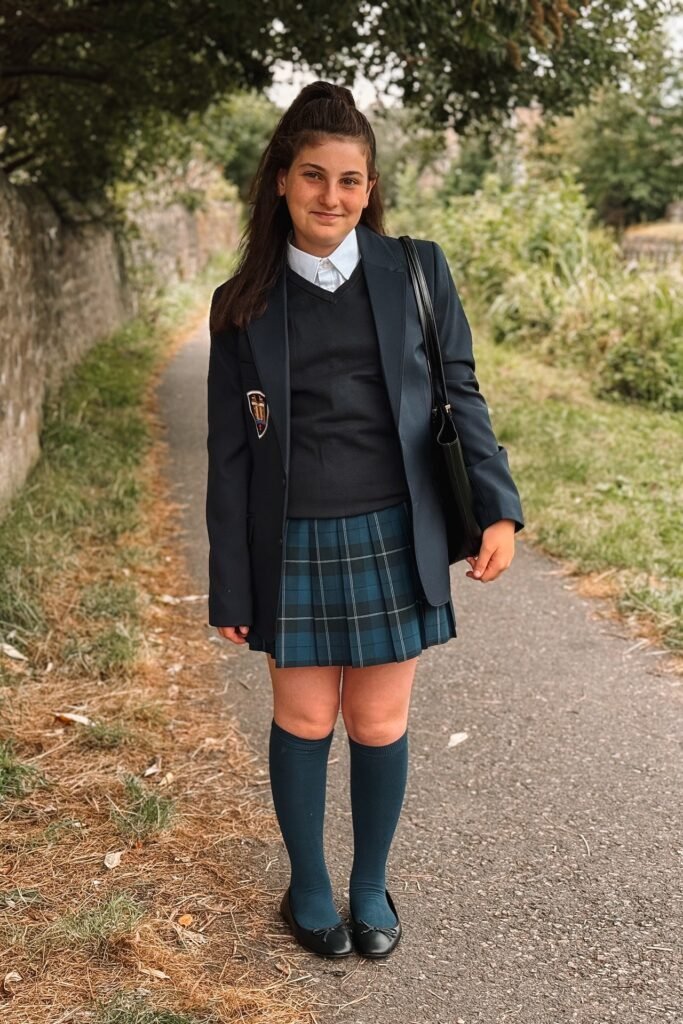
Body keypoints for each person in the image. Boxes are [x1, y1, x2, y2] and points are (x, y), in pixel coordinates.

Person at [206, 81, 524, 960]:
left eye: (351, 180)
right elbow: (229, 459)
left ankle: (369, 884)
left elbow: (461, 393)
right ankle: (308, 887)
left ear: (371, 186)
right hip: (292, 539)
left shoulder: (415, 270)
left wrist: (497, 511)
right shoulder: (240, 303)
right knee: (304, 718)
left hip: (393, 529)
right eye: (313, 176)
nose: (332, 197)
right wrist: (229, 581)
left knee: (379, 721)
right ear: (280, 180)